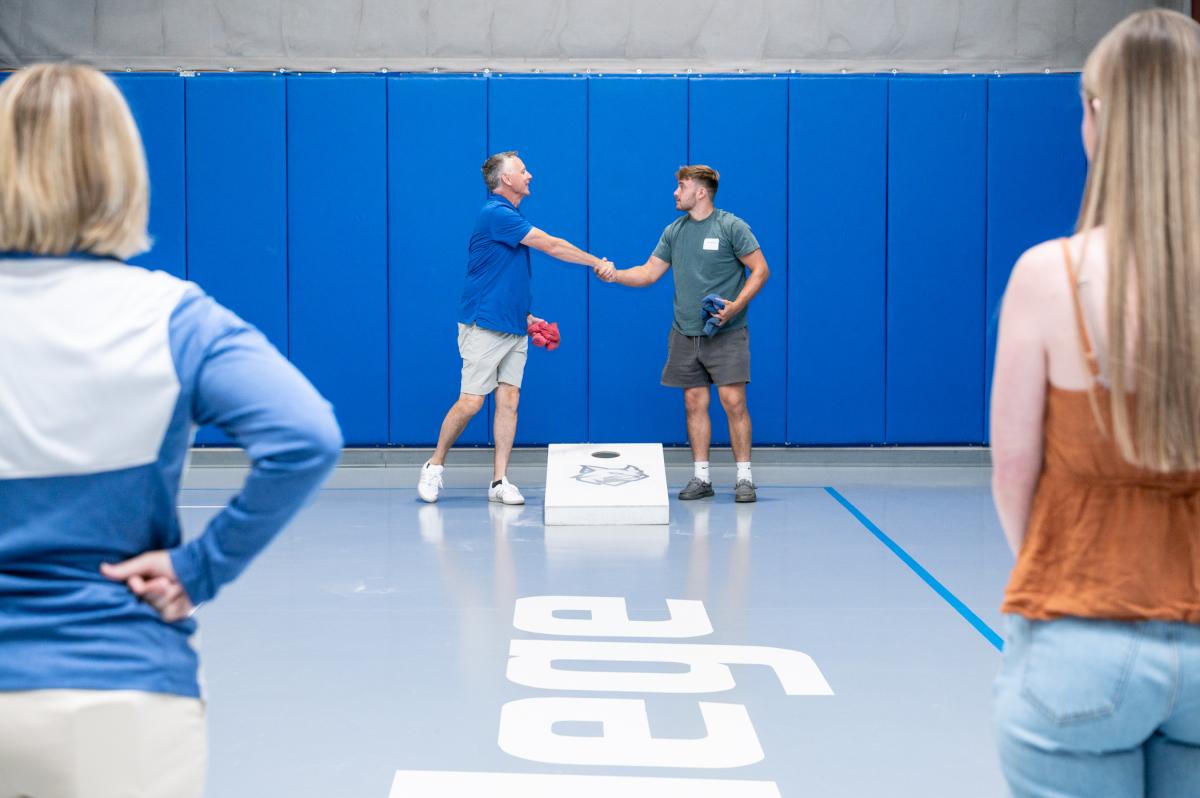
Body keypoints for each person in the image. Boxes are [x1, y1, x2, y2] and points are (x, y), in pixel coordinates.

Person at [0, 64, 342, 797]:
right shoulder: (172, 317)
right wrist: (199, 569)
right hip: (117, 696)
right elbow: (306, 436)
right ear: (120, 171)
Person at [990, 10, 1200, 796]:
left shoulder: (1050, 276)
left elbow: (1015, 478)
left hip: (1083, 631)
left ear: (1101, 116)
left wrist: (1060, 585)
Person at [417, 151, 609, 505]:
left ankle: (499, 482)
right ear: (506, 179)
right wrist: (595, 261)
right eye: (523, 171)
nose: (530, 175)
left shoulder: (510, 217)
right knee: (472, 402)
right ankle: (434, 465)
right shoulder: (497, 214)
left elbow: (500, 276)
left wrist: (526, 316)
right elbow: (551, 245)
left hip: (513, 326)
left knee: (509, 401)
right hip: (484, 325)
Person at [597, 165, 769, 502]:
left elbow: (760, 270)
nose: (676, 193)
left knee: (733, 402)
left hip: (727, 332)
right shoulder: (674, 231)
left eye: (681, 186)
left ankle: (744, 478)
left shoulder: (731, 226)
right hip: (684, 333)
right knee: (694, 402)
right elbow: (648, 273)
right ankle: (701, 478)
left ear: (700, 191)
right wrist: (615, 274)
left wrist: (734, 307)